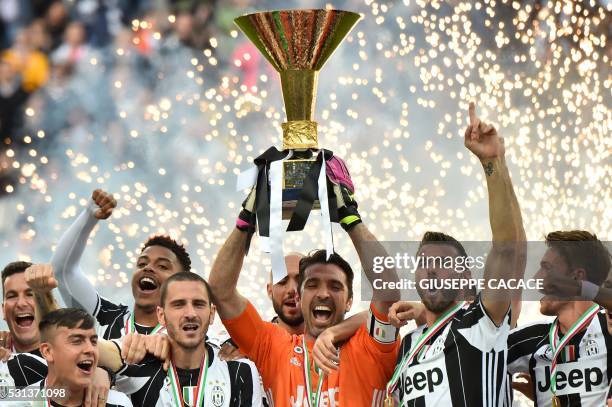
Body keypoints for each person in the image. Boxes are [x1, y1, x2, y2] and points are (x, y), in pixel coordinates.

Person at [209, 153, 400, 406]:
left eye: (335, 286)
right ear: (301, 295)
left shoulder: (370, 347)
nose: (322, 293)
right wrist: (246, 219)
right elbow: (220, 291)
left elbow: (388, 288)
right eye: (311, 285)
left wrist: (350, 218)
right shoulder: (274, 346)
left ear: (349, 301)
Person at [385, 102, 526, 406]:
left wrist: (491, 164)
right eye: (424, 264)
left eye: (442, 264)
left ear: (464, 275)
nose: (431, 270)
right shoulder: (408, 344)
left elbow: (506, 247)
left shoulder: (482, 320)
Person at [98, 272, 263, 406]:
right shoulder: (139, 360)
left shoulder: (239, 371)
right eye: (179, 304)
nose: (190, 313)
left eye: (198, 304)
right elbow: (85, 349)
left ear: (212, 314)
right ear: (161, 315)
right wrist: (100, 372)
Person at [51, 189, 191, 339]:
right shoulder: (106, 318)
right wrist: (89, 215)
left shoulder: (191, 337)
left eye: (162, 266)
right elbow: (63, 271)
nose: (148, 268)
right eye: (142, 263)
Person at [508, 230, 611, 407]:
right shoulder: (533, 336)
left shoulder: (608, 326)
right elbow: (476, 354)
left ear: (577, 277)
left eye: (547, 268)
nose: (535, 279)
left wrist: (579, 288)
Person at [0, 262, 112, 406]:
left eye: (30, 294)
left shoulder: (85, 345)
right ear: (3, 310)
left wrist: (105, 373)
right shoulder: (5, 362)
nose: (21, 303)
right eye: (12, 296)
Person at [31, 307, 131, 406]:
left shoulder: (120, 403)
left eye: (93, 342)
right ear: (47, 351)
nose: (90, 349)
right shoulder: (22, 402)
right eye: (77, 341)